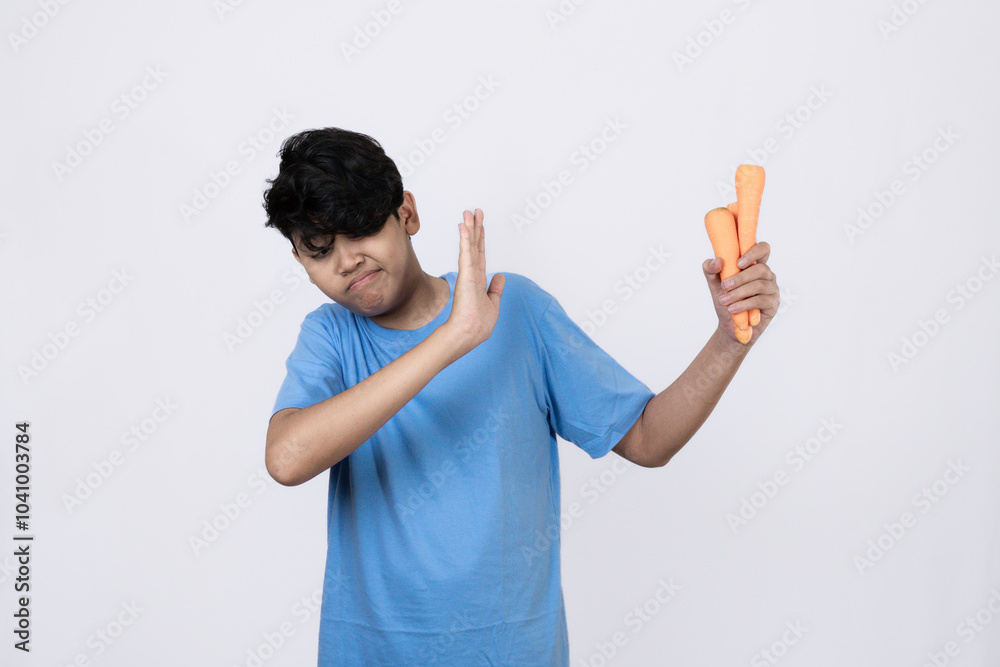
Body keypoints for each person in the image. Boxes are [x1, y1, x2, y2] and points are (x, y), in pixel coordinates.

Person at [261, 127, 780, 666]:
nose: (347, 261)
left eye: (360, 230)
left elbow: (649, 439)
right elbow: (287, 458)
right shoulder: (330, 336)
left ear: (406, 214)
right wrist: (452, 339)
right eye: (320, 251)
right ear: (301, 260)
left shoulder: (518, 310)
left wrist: (729, 337)